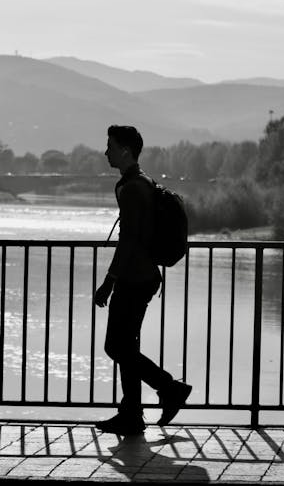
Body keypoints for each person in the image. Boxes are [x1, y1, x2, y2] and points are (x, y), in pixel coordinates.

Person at [94, 125, 192, 435]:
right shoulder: (139, 183)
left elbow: (130, 240)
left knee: (116, 346)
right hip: (143, 277)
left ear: (125, 150)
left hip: (135, 279)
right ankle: (132, 415)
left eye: (110, 145)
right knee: (125, 346)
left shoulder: (133, 188)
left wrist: (109, 281)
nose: (106, 151)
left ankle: (168, 388)